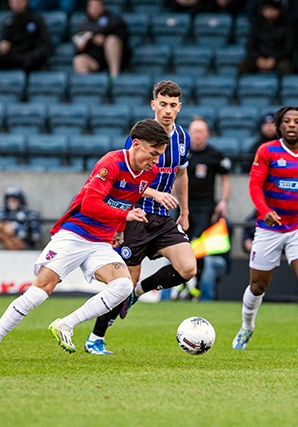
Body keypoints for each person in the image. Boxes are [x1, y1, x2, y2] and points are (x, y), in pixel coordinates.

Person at [0, 119, 170, 360]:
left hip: (101, 242)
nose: (156, 160)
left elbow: (125, 200)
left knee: (123, 286)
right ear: (137, 144)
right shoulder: (111, 163)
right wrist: (125, 216)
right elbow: (90, 205)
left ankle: (66, 324)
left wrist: (119, 229)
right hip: (75, 234)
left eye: (160, 155)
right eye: (153, 153)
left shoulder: (149, 173)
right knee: (40, 290)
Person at [85, 80, 197, 355]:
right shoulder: (141, 135)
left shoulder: (182, 138)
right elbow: (126, 178)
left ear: (179, 107)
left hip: (164, 218)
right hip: (137, 215)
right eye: (163, 104)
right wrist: (124, 219)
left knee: (188, 268)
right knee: (122, 285)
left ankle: (140, 292)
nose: (167, 110)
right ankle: (95, 338)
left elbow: (181, 175)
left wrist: (184, 211)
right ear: (153, 104)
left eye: (173, 105)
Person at [232, 105, 298, 353]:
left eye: (297, 121)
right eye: (286, 121)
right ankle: (247, 326)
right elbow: (254, 185)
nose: (291, 125)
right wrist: (264, 210)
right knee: (257, 286)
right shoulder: (267, 151)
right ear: (279, 125)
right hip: (268, 228)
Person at [180, 117, 231, 301]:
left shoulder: (215, 155)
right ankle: (182, 285)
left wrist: (224, 200)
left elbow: (225, 178)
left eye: (201, 131)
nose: (197, 135)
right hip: (183, 204)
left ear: (207, 134)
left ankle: (194, 286)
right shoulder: (182, 153)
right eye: (194, 131)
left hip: (204, 206)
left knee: (195, 244)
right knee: (178, 242)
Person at [0, 0, 53, 74]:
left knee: (30, 62)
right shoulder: (8, 21)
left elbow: (46, 42)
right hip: (14, 54)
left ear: (26, 2)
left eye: (19, 2)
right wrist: (2, 46)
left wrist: (36, 54)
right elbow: (3, 39)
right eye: (13, 2)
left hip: (30, 54)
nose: (16, 4)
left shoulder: (36, 19)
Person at [71, 0, 130, 79]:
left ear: (102, 7)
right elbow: (78, 46)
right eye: (91, 6)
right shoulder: (83, 24)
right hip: (95, 57)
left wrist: (104, 39)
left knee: (111, 40)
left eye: (96, 6)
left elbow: (123, 38)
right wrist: (84, 44)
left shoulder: (113, 20)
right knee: (78, 60)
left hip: (113, 55)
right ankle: (88, 86)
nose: (94, 9)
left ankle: (114, 76)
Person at [238, 0, 297, 76]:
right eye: (267, 9)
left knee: (285, 67)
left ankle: (284, 87)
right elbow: (250, 45)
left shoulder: (287, 27)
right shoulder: (257, 26)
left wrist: (274, 59)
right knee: (243, 65)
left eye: (273, 9)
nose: (270, 12)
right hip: (259, 57)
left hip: (279, 58)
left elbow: (288, 48)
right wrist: (258, 58)